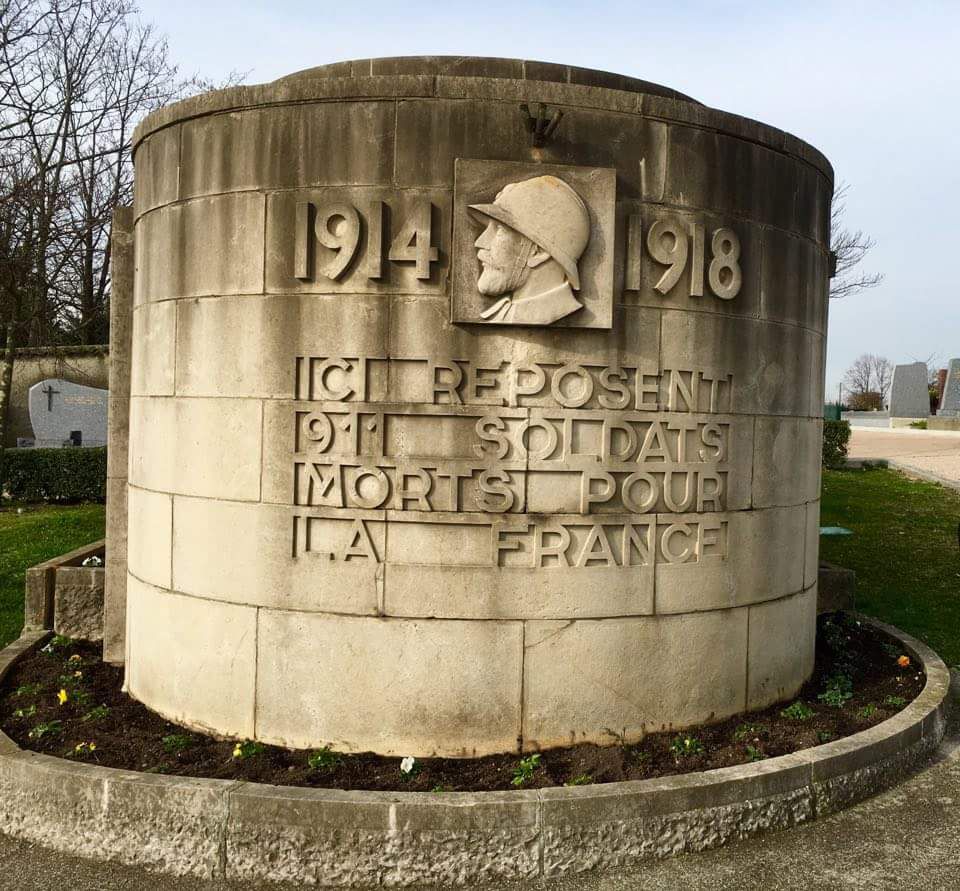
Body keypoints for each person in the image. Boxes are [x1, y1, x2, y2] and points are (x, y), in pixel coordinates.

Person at [470, 175, 591, 325]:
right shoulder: (501, 316)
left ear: (539, 251)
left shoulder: (559, 315)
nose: (479, 242)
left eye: (499, 229)